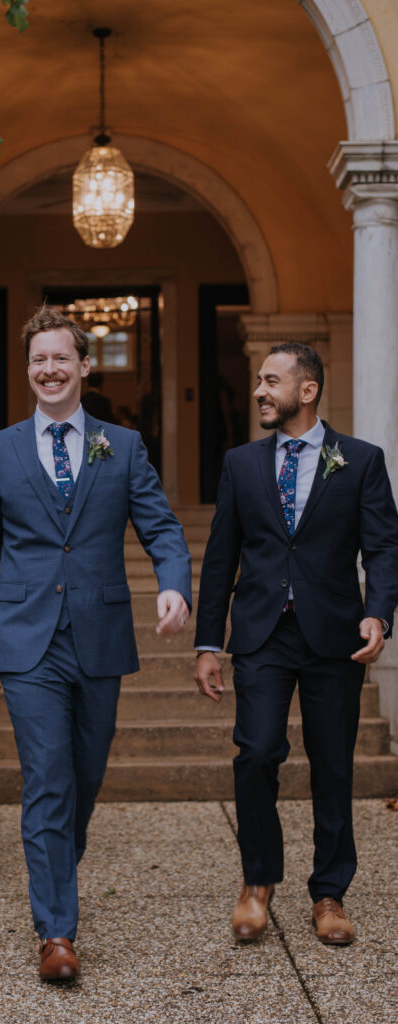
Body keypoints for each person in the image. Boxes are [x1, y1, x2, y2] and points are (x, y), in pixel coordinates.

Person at [0, 306, 191, 981]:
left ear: (85, 366)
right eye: (39, 360)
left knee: (85, 775)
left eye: (61, 358)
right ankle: (57, 932)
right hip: (25, 638)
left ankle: (56, 857)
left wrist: (174, 583)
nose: (50, 370)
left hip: (98, 632)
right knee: (48, 779)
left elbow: (162, 526)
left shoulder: (121, 446)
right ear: (28, 368)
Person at [194, 343, 398, 946]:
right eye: (258, 380)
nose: (258, 390)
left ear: (306, 391)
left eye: (270, 381)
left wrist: (378, 614)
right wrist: (209, 643)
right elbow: (219, 558)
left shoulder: (360, 461)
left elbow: (384, 546)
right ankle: (257, 881)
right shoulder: (240, 463)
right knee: (256, 753)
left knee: (333, 764)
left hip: (335, 634)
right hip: (261, 633)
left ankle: (330, 893)